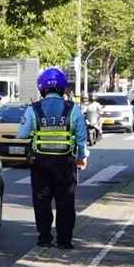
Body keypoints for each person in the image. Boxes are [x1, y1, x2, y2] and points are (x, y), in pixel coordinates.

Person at [16, 67, 89, 249]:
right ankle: (64, 241)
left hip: (40, 162)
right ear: (63, 87)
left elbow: (22, 133)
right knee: (65, 202)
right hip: (65, 163)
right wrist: (82, 157)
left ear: (41, 87)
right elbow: (81, 138)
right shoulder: (73, 109)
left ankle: (44, 238)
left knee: (42, 201)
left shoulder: (34, 108)